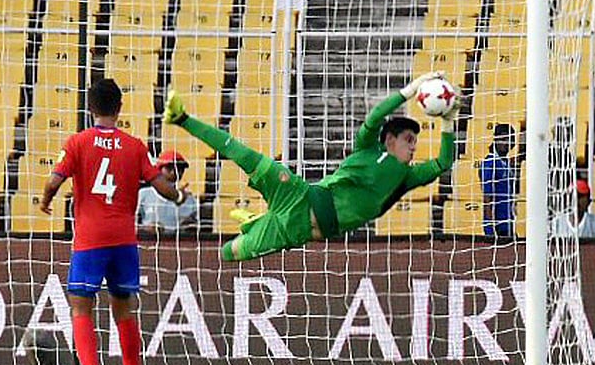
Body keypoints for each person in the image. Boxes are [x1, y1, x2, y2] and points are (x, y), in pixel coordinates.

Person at [164, 73, 458, 261]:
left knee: (230, 253)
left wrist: (448, 120)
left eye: (415, 141)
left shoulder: (406, 177)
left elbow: (444, 162)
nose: (414, 146)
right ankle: (181, 118)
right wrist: (412, 88)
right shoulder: (368, 147)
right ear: (390, 140)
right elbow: (375, 116)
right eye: (409, 139)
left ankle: (257, 222)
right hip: (299, 194)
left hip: (295, 228)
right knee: (247, 156)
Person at [39, 79, 185, 365]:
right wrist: (177, 196)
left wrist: (45, 200)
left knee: (81, 307)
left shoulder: (78, 142)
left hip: (90, 239)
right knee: (124, 309)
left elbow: (54, 180)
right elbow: (161, 186)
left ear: (90, 108)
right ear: (119, 109)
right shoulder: (135, 146)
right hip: (124, 240)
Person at [138, 150, 199, 234]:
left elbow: (196, 227)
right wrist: (146, 229)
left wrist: (188, 227)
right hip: (149, 243)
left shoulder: (190, 199)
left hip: (177, 244)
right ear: (159, 169)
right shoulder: (144, 194)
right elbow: (131, 224)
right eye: (169, 167)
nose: (175, 172)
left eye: (180, 168)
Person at [480, 123, 518, 237]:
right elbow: (487, 197)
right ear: (495, 140)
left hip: (508, 222)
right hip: (497, 226)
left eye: (510, 139)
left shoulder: (506, 163)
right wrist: (490, 229)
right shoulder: (490, 163)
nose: (506, 143)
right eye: (503, 139)